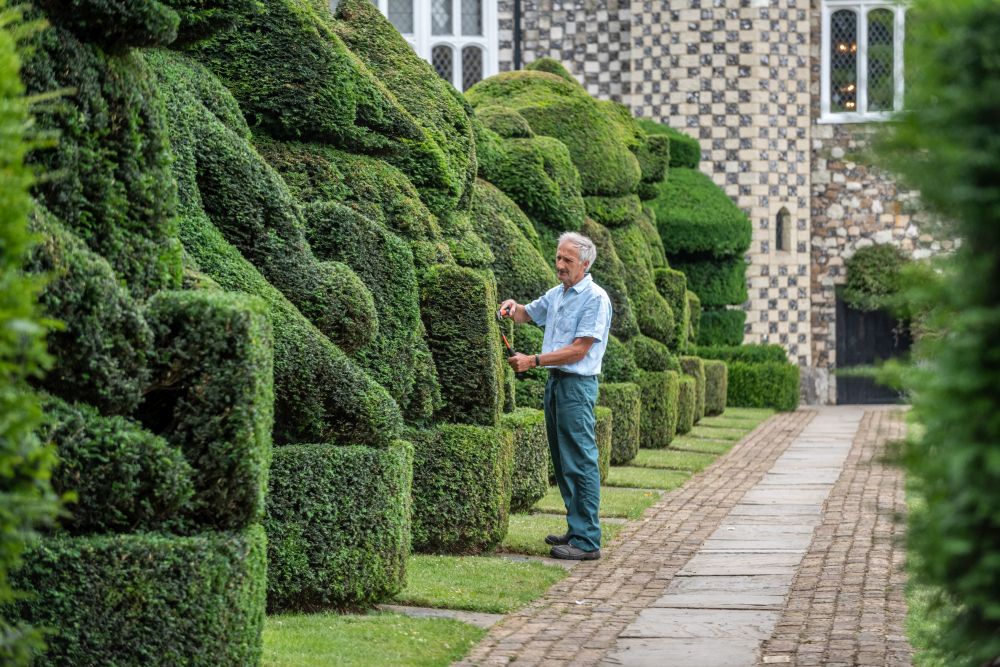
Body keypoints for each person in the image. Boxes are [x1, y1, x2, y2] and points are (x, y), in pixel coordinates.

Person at [499, 232, 613, 560]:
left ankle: (587, 540)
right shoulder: (559, 293)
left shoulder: (595, 298)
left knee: (580, 460)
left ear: (585, 264)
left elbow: (579, 350)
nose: (560, 265)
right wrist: (512, 308)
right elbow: (528, 313)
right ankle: (576, 529)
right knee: (564, 462)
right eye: (558, 258)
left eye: (568, 260)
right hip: (556, 384)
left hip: (577, 387)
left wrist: (532, 360)